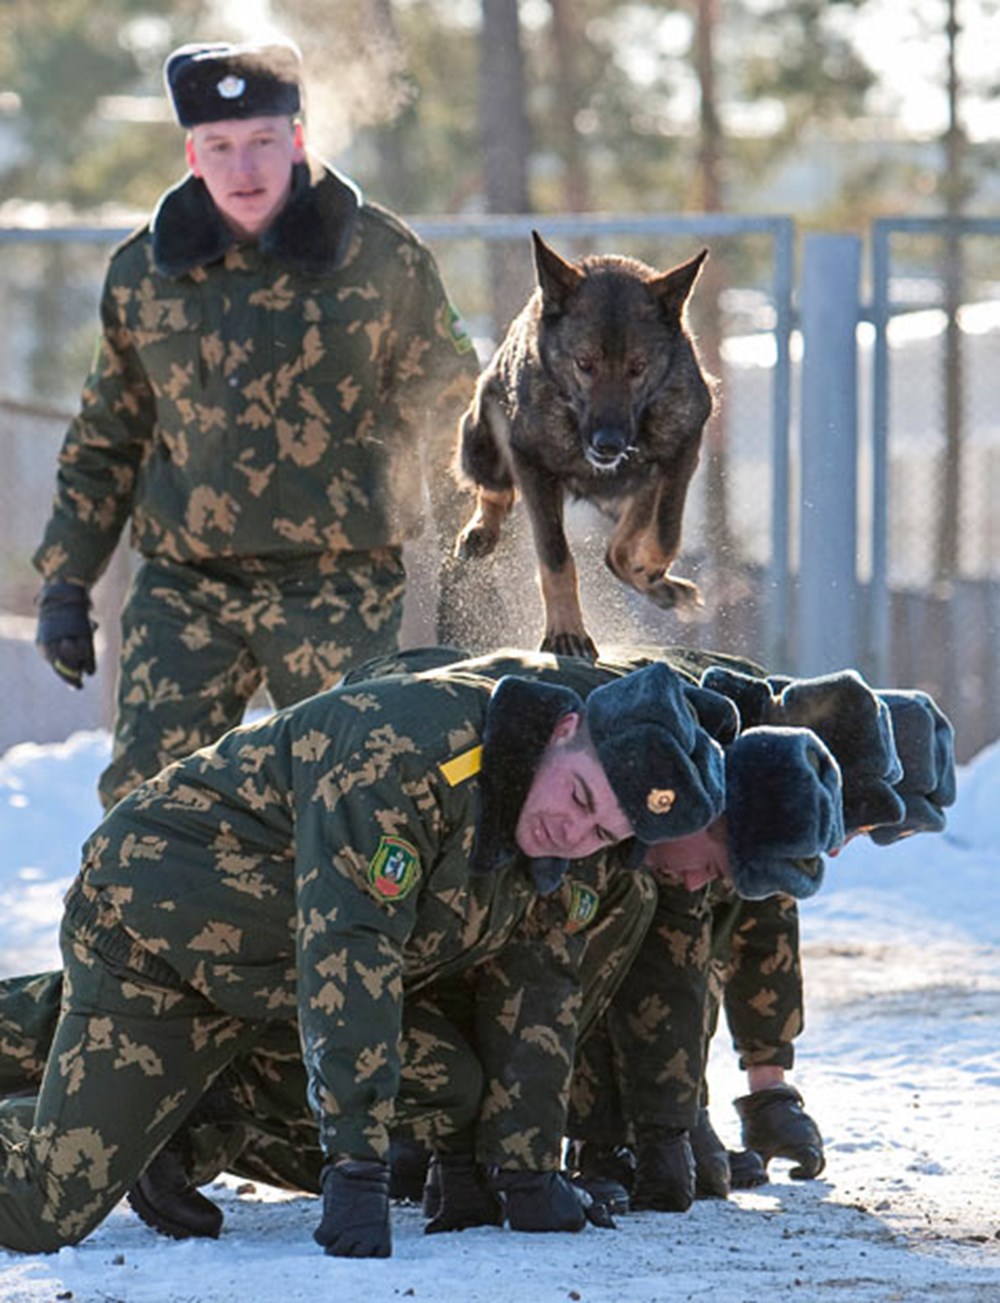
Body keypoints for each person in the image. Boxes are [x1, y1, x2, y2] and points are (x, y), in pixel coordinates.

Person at [0, 651, 729, 1258]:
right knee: (46, 1206)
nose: (576, 833)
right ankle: (123, 1108)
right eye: (578, 797)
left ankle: (176, 1110)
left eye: (603, 831)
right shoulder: (409, 752)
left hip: (275, 985)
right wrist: (356, 1164)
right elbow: (353, 952)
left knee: (446, 1083)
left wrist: (522, 1168)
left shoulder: (543, 834)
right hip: (161, 932)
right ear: (564, 727)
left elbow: (537, 993)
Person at [32, 38, 480, 809]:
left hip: (337, 580)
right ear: (192, 151)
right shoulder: (144, 273)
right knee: (148, 804)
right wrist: (66, 580)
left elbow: (452, 421)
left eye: (264, 142)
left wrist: (472, 573)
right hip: (187, 585)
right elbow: (109, 433)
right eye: (221, 147)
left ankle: (338, 934)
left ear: (299, 139)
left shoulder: (380, 258)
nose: (244, 169)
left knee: (353, 800)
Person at [568, 669, 957, 1214]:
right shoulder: (707, 775)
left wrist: (766, 1089)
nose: (838, 848)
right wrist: (661, 1127)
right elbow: (655, 967)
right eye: (853, 825)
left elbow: (758, 938)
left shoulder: (763, 782)